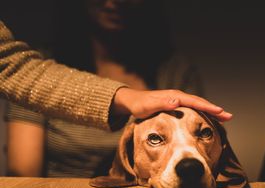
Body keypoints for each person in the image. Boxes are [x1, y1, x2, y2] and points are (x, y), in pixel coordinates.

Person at [6, 0, 208, 177]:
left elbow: (198, 151)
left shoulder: (174, 72)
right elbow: (23, 171)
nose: (117, 1)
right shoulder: (39, 69)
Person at [0, 20, 231, 130]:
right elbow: (24, 171)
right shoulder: (44, 59)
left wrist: (129, 98)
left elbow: (13, 66)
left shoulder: (175, 69)